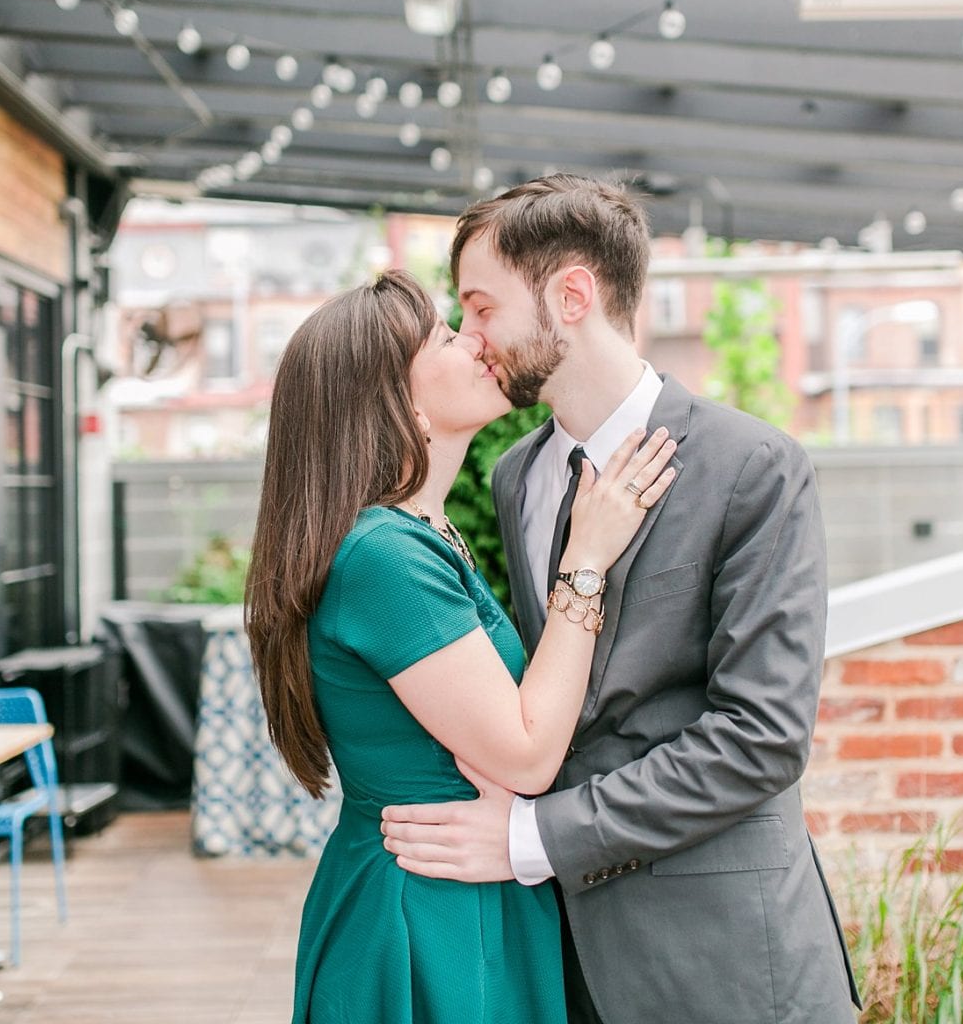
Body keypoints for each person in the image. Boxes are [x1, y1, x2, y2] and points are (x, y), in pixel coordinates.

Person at [379, 175, 861, 1024]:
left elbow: (762, 740)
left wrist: (534, 839)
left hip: (726, 960)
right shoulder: (514, 475)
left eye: (483, 308)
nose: (471, 336)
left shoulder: (753, 468)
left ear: (571, 296)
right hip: (565, 959)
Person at [246, 269, 677, 1023]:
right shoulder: (384, 557)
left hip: (459, 890)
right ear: (394, 397)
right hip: (431, 914)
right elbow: (526, 750)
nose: (477, 340)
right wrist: (586, 558)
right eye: (448, 336)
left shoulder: (420, 537)